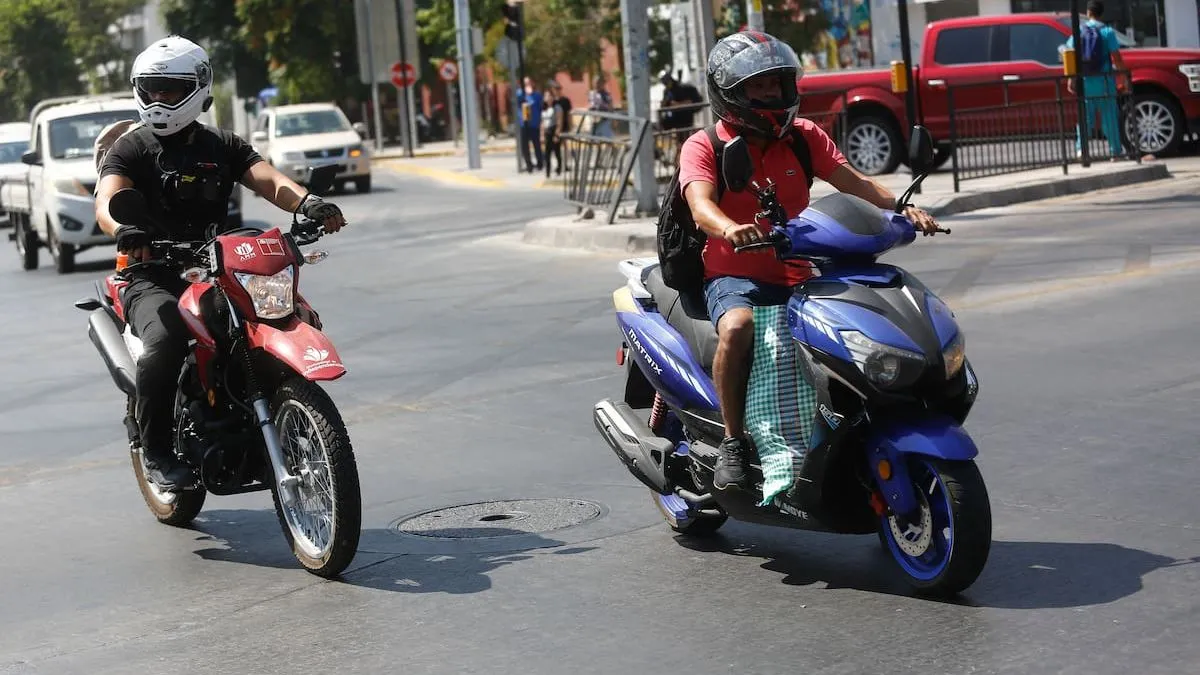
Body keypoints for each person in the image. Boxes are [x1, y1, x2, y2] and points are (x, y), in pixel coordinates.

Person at [678, 31, 941, 491]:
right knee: (738, 326)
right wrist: (730, 228)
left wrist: (902, 209)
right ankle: (734, 443)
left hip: (799, 270)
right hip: (733, 274)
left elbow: (854, 183)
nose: (771, 96)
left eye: (776, 85)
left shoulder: (803, 137)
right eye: (757, 87)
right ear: (730, 93)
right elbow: (700, 205)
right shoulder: (704, 146)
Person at [94, 36, 347, 491]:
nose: (159, 99)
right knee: (166, 339)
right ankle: (155, 451)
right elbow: (108, 198)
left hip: (214, 265)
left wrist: (307, 203)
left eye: (170, 89)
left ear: (198, 88)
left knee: (279, 315)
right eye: (150, 89)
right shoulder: (130, 149)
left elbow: (266, 178)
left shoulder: (222, 144)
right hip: (151, 273)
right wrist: (122, 231)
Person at [1062, 0, 1128, 159]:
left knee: (1085, 118)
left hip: (1085, 82)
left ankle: (1081, 150)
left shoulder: (1078, 31)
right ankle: (1115, 152)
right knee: (1109, 117)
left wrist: (1071, 79)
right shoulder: (1107, 32)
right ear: (1101, 14)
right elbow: (1117, 58)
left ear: (1088, 13)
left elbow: (1069, 54)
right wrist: (1123, 78)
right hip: (1104, 81)